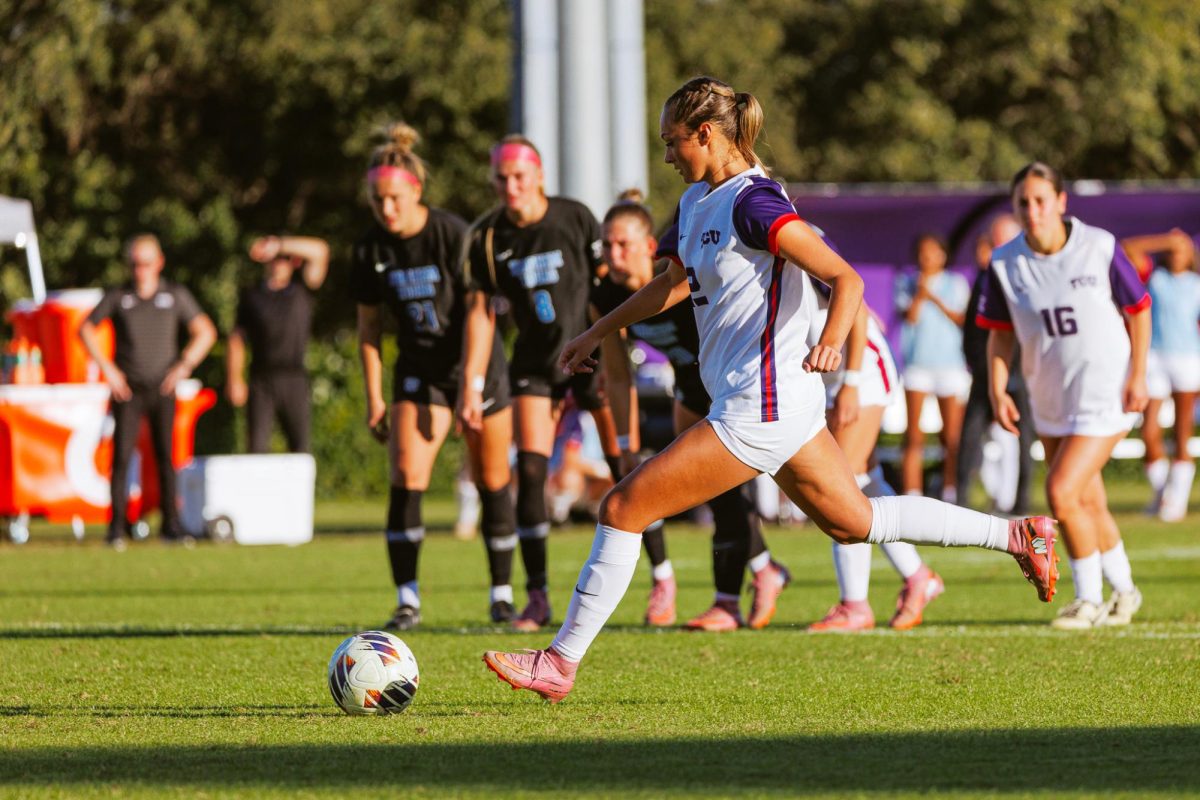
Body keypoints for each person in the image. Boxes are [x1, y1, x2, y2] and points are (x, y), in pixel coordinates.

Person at [482, 77, 1059, 702]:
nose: (668, 155)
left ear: (706, 134)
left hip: (761, 405)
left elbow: (845, 279)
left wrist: (835, 341)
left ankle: (559, 663)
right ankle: (1017, 535)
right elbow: (669, 283)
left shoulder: (754, 203)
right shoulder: (699, 202)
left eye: (673, 141)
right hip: (771, 405)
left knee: (623, 507)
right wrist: (598, 330)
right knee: (855, 522)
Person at [593, 194, 790, 631]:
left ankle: (738, 592)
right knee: (706, 490)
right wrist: (627, 444)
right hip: (691, 387)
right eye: (606, 246)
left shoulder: (683, 280)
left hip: (732, 385)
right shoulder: (605, 292)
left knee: (728, 494)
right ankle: (755, 576)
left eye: (622, 244)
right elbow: (619, 377)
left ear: (650, 246)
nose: (612, 255)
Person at [351, 122, 516, 630]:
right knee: (407, 477)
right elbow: (369, 328)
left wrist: (470, 386)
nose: (387, 209)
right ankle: (408, 599)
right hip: (419, 371)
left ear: (415, 191)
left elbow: (479, 312)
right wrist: (375, 399)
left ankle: (502, 595)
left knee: (492, 480)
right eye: (378, 201)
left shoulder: (451, 234)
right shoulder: (370, 248)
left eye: (395, 199)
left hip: (476, 366)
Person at [459, 134, 622, 632]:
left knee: (623, 463)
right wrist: (471, 380)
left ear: (540, 177)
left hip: (591, 355)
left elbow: (604, 288)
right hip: (535, 363)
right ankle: (537, 595)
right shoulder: (487, 236)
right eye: (501, 178)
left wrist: (612, 349)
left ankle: (662, 578)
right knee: (530, 471)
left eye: (519, 176)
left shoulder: (574, 217)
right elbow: (482, 314)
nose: (510, 186)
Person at [979, 161, 1149, 630]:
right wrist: (998, 389)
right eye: (1023, 202)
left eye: (1040, 200)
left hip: (1106, 392)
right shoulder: (1005, 262)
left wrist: (1139, 374)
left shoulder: (1098, 246)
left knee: (1060, 491)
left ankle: (1088, 598)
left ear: (1060, 202)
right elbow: (999, 334)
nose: (1032, 210)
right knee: (1087, 501)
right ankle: (1126, 591)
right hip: (1049, 395)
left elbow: (1139, 309)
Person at [806, 273, 943, 632]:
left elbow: (858, 307)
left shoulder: (786, 235)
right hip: (834, 380)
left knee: (840, 487)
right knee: (865, 485)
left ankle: (855, 605)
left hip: (861, 374)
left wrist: (849, 383)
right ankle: (918, 577)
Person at [79, 234, 217, 549]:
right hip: (128, 389)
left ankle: (171, 524)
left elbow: (206, 332)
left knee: (166, 456)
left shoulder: (174, 295)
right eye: (134, 264)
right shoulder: (119, 296)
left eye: (145, 263)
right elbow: (86, 328)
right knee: (122, 457)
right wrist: (109, 370)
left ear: (159, 263)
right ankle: (115, 527)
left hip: (162, 386)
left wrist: (184, 365)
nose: (140, 270)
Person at [957, 215, 1035, 514]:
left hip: (1021, 372)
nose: (998, 246)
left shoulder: (1030, 275)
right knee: (970, 436)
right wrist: (979, 365)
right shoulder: (984, 276)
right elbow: (974, 328)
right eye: (995, 240)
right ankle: (961, 500)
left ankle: (1022, 502)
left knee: (1024, 437)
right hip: (985, 371)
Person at [1121, 228, 1200, 521]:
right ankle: (1163, 492)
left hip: (1188, 360)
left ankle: (1175, 500)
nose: (1178, 253)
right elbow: (1127, 248)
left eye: (1184, 248)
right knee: (1149, 430)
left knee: (1182, 432)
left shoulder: (1196, 284)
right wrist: (1166, 239)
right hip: (1154, 357)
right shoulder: (1155, 279)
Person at [226, 234, 329, 453]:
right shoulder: (252, 295)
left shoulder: (302, 290)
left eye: (283, 258)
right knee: (256, 448)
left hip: (294, 377)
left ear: (294, 262)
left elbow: (320, 250)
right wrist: (235, 378)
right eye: (275, 258)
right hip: (261, 378)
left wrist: (278, 244)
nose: (278, 264)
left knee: (300, 447)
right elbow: (236, 339)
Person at [895, 233, 971, 503]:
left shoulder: (955, 283)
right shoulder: (906, 282)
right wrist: (919, 293)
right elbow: (911, 318)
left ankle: (950, 493)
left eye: (932, 252)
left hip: (950, 366)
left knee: (951, 436)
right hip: (918, 367)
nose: (927, 258)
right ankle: (912, 494)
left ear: (943, 255)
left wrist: (934, 298)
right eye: (922, 252)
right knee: (913, 434)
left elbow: (961, 319)